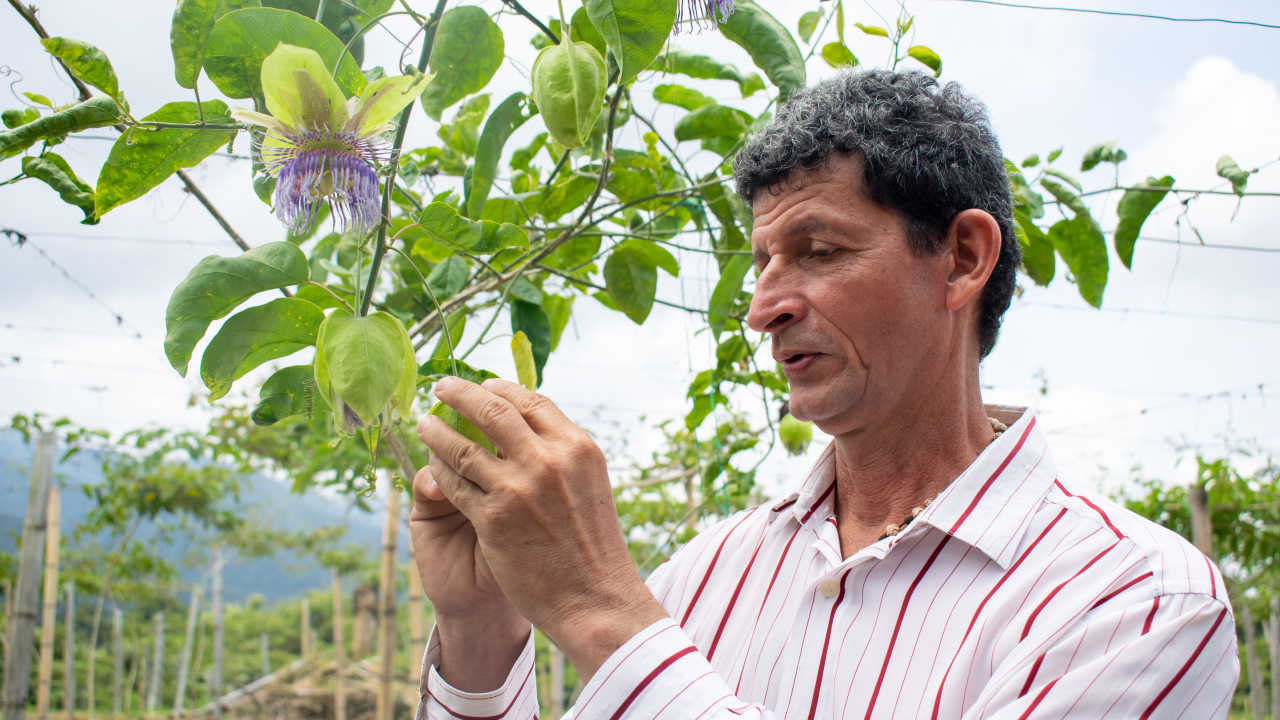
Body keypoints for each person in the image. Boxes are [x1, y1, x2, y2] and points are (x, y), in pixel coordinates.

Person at [407, 69, 1239, 719]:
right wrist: (481, 634)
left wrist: (597, 608)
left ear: (961, 259)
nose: (764, 306)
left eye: (819, 249)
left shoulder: (1130, 600)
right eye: (762, 262)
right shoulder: (708, 574)